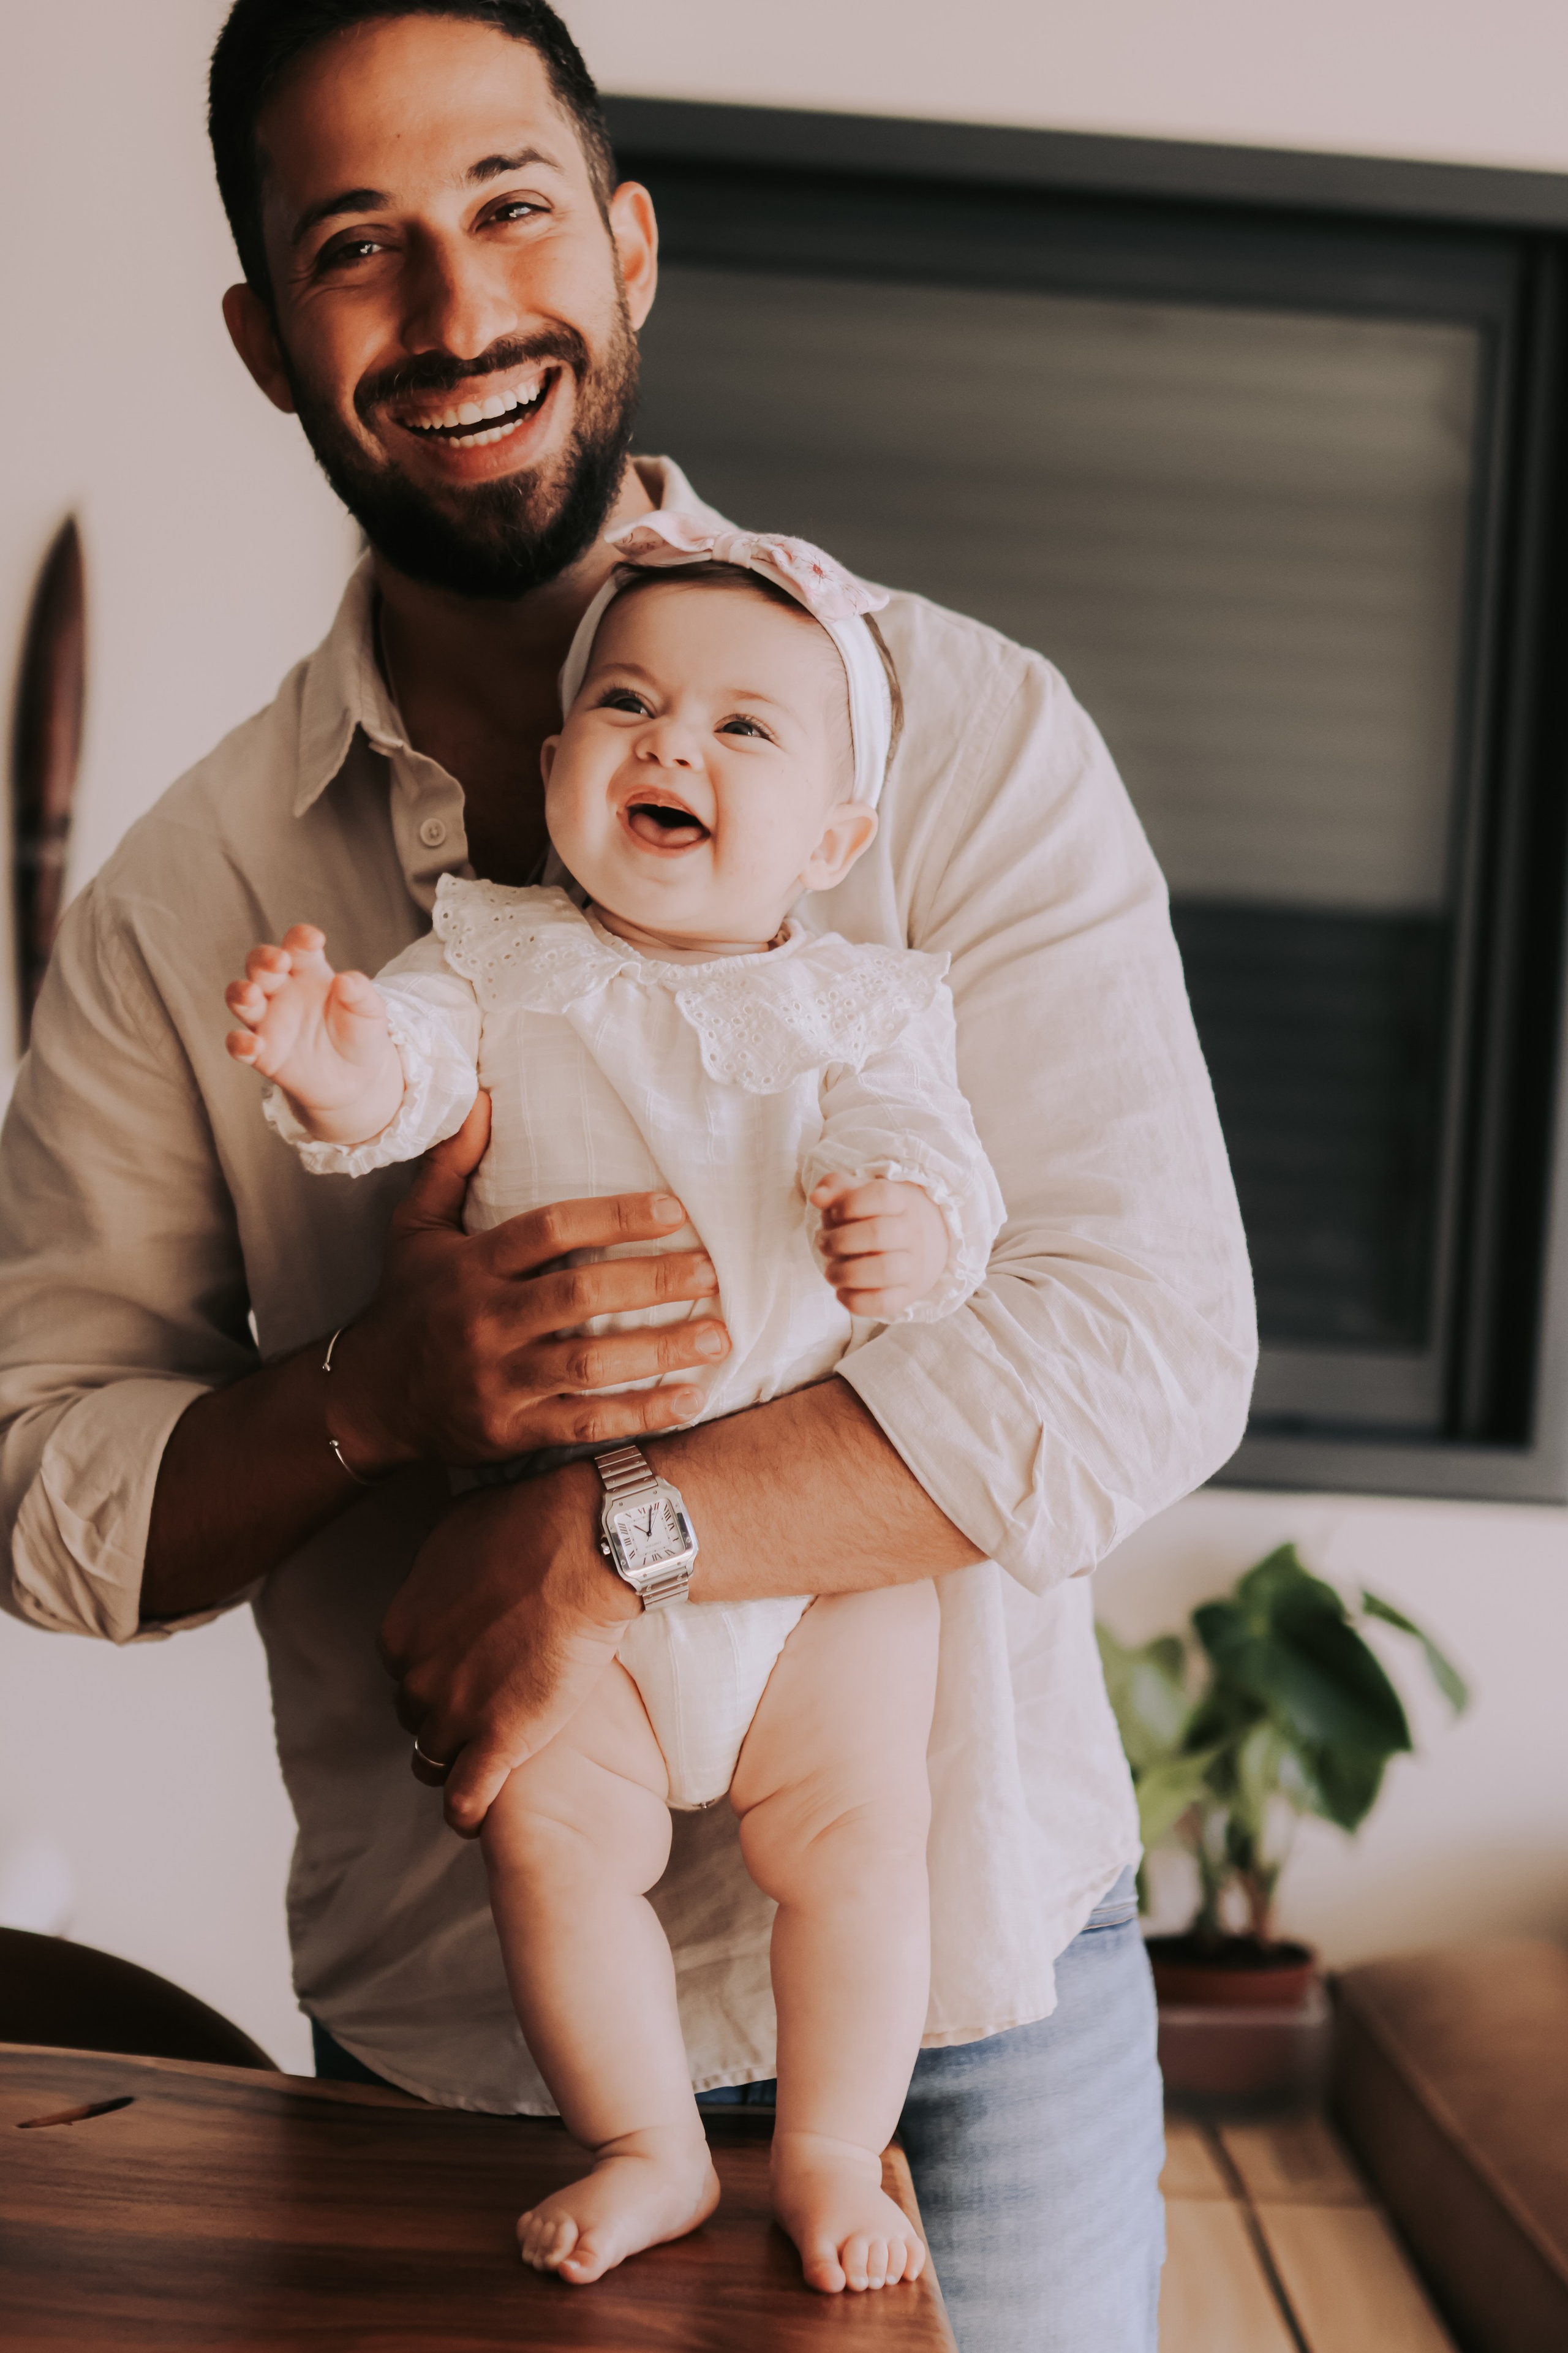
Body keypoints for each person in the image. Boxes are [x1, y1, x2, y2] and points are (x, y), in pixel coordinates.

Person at [0, 5, 1256, 2346]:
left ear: (630, 246)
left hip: (970, 2001)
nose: (458, 308)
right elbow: (38, 1485)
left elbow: (1148, 1340)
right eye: (359, 247)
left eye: (511, 208)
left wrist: (606, 1531)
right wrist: (373, 1400)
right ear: (268, 344)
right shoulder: (194, 909)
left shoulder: (958, 739)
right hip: (469, 2054)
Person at [225, 518, 1006, 2292]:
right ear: (558, 764)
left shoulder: (859, 1003)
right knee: (555, 1846)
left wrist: (910, 1215)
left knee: (864, 1849)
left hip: (813, 1563)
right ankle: (647, 2142)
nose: (674, 745)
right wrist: (332, 1056)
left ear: (834, 838)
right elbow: (410, 1078)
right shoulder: (491, 957)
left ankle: (830, 2152)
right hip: (548, 1553)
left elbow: (934, 1152)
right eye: (630, 706)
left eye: (744, 727)